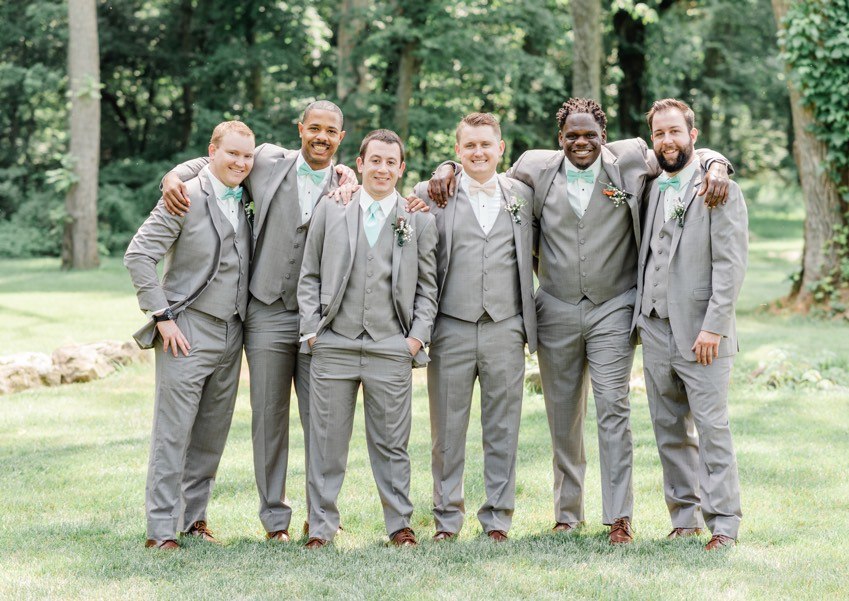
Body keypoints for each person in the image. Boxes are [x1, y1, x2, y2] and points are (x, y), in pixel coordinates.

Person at [429, 98, 732, 543]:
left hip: (614, 307)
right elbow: (483, 173)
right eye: (572, 135)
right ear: (560, 139)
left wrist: (716, 162)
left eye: (590, 134)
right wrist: (447, 167)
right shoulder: (534, 168)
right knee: (562, 414)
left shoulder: (632, 160)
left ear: (604, 136)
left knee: (613, 409)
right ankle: (568, 512)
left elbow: (678, 152)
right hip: (554, 308)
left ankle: (619, 516)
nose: (582, 142)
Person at [160, 101, 351, 541]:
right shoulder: (266, 159)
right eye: (314, 128)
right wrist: (172, 176)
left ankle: (321, 518)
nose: (321, 137)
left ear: (341, 138)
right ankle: (275, 521)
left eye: (331, 131)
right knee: (268, 418)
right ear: (300, 129)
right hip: (265, 311)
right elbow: (212, 161)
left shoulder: (347, 186)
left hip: (321, 319)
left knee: (323, 421)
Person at [297, 129, 439, 548]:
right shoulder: (331, 208)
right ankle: (321, 527)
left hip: (391, 345)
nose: (382, 168)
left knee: (392, 443)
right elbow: (309, 274)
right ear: (360, 164)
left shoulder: (419, 218)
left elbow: (428, 288)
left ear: (401, 168)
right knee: (326, 443)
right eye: (375, 160)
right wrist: (312, 332)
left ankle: (399, 525)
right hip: (334, 343)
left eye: (391, 162)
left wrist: (414, 340)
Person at [125, 120, 255, 550]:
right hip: (187, 328)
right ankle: (161, 530)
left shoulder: (249, 193)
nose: (240, 162)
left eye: (246, 155)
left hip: (233, 331)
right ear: (212, 152)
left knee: (211, 434)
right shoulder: (183, 195)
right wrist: (162, 316)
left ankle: (194, 519)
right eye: (231, 153)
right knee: (173, 432)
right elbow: (139, 255)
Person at [409, 113, 536, 542]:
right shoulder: (431, 194)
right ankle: (447, 519)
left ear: (501, 148)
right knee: (446, 432)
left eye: (486, 144)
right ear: (457, 151)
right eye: (470, 146)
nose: (478, 152)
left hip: (506, 326)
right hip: (451, 327)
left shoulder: (523, 194)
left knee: (503, 429)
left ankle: (498, 519)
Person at [633, 98, 747, 550]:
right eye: (659, 133)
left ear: (693, 136)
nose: (667, 141)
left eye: (675, 131)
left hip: (703, 333)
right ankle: (684, 518)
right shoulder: (648, 185)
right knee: (669, 430)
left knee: (712, 429)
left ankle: (724, 525)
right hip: (654, 326)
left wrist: (714, 327)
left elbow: (731, 266)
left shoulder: (719, 189)